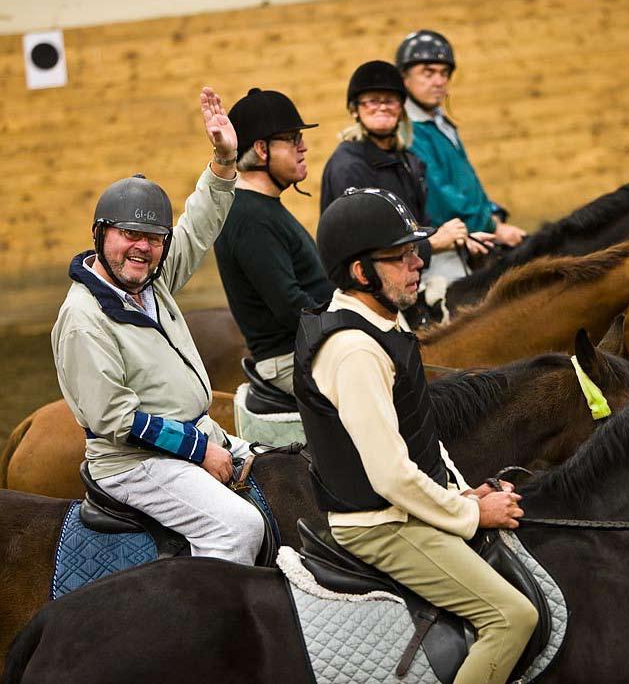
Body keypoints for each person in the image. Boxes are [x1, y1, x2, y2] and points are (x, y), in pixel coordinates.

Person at [293, 187, 538, 684]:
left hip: (406, 510)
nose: (417, 263)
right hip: (382, 527)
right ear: (362, 273)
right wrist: (471, 513)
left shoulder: (385, 322)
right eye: (400, 256)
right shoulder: (354, 352)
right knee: (513, 617)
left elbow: (416, 430)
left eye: (415, 250)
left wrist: (459, 491)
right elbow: (391, 476)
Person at [51, 87, 265, 566]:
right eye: (130, 235)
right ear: (101, 234)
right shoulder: (83, 320)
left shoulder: (151, 280)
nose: (142, 248)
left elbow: (197, 225)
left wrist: (225, 162)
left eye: (153, 239)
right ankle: (206, 635)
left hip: (195, 432)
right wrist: (200, 450)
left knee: (288, 471)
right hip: (134, 462)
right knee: (239, 528)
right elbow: (117, 421)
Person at [215, 88, 333, 395]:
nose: (303, 147)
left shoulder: (264, 207)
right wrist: (351, 324)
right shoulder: (250, 217)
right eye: (293, 139)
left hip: (309, 349)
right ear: (262, 149)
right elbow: (291, 305)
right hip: (290, 359)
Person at [396, 30, 528, 282]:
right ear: (404, 78)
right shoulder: (409, 130)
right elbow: (441, 193)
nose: (439, 81)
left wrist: (493, 211)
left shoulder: (439, 122)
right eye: (428, 72)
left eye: (444, 73)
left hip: (470, 236)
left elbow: (466, 182)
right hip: (442, 256)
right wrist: (493, 226)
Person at [320, 60, 469, 265]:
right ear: (355, 110)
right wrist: (435, 243)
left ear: (401, 109)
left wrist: (465, 240)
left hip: (409, 269)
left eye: (390, 101)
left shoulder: (407, 160)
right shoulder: (348, 167)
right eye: (372, 101)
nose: (382, 107)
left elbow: (418, 225)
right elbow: (365, 245)